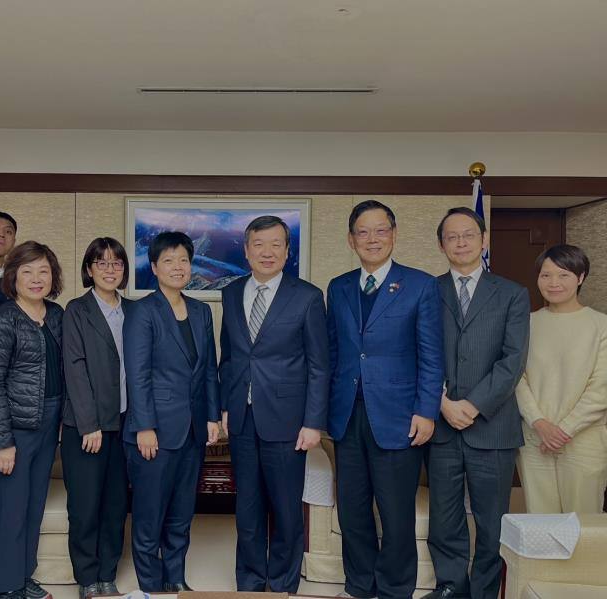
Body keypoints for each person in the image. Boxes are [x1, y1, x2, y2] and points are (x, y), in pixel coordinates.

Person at [326, 200, 444, 599]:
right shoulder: (339, 287)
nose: (372, 239)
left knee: (395, 514)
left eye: (380, 230)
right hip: (347, 415)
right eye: (363, 231)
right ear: (350, 239)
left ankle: (394, 589)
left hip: (398, 415)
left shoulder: (421, 285)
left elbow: (431, 355)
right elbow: (333, 351)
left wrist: (426, 411)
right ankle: (359, 585)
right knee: (353, 510)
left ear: (394, 235)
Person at [218, 215, 329, 593]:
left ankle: (282, 583)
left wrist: (313, 422)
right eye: (259, 244)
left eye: (276, 244)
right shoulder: (231, 293)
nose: (267, 252)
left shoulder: (308, 296)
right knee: (246, 509)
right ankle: (249, 581)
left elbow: (319, 364)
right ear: (246, 250)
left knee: (285, 510)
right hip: (242, 419)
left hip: (288, 418)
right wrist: (225, 406)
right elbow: (229, 357)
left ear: (287, 250)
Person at [424, 207, 530, 599]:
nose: (461, 242)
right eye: (451, 237)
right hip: (441, 423)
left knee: (491, 521)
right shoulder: (427, 290)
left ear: (484, 240)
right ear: (441, 245)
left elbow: (512, 360)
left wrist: (472, 404)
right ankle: (450, 586)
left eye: (468, 235)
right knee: (445, 517)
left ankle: (485, 592)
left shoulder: (512, 294)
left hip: (493, 424)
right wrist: (442, 403)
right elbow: (415, 354)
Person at [123, 231, 220, 593]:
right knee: (149, 516)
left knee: (181, 514)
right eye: (169, 260)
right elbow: (138, 373)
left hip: (193, 429)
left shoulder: (201, 311)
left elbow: (210, 368)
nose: (178, 267)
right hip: (155, 431)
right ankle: (151, 586)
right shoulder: (142, 311)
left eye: (183, 260)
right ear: (154, 267)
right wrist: (144, 426)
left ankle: (176, 580)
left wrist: (212, 416)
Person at [0, 241, 65, 599]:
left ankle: (23, 576)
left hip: (49, 421)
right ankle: (6, 586)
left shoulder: (57, 314)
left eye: (43, 271)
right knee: (12, 510)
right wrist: (3, 442)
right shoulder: (2, 319)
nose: (36, 279)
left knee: (33, 507)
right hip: (15, 426)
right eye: (27, 271)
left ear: (53, 276)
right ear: (13, 276)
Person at [61, 238, 133, 599]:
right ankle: (87, 578)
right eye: (101, 263)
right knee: (86, 505)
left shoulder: (133, 311)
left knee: (116, 505)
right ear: (89, 269)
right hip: (86, 427)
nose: (109, 269)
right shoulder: (77, 310)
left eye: (116, 263)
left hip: (126, 425)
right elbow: (74, 369)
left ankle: (108, 572)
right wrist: (90, 424)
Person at [516, 244, 607, 514]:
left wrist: (564, 430)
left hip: (584, 440)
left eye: (563, 275)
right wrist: (540, 423)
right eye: (546, 275)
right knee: (540, 523)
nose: (553, 283)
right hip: (535, 439)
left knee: (583, 524)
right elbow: (517, 378)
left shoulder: (600, 325)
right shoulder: (525, 323)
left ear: (580, 278)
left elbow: (601, 388)